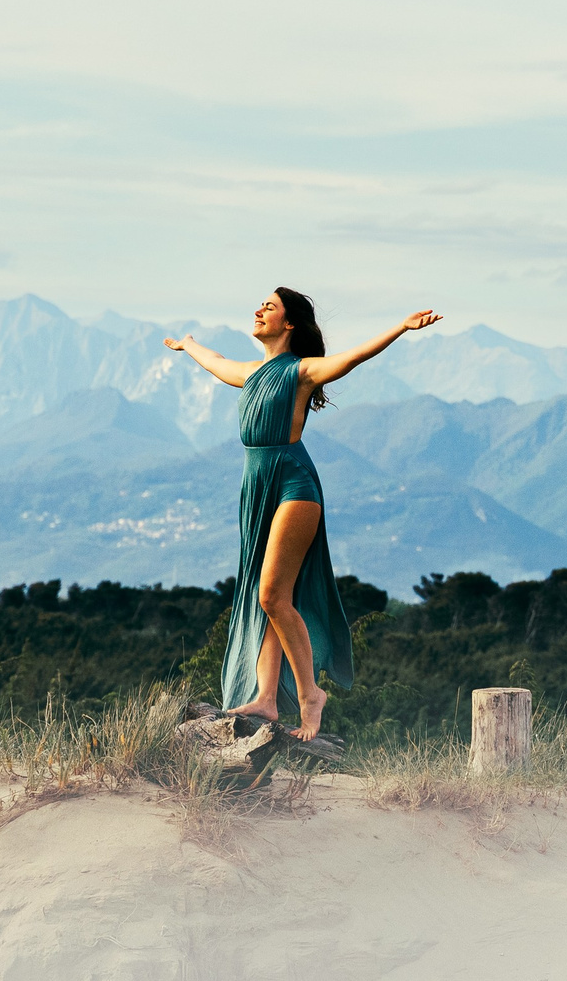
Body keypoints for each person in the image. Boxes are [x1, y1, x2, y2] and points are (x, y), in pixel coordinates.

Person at [164, 290, 438, 741]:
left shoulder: (302, 371)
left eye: (268, 307)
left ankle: (312, 695)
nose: (258, 310)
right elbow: (213, 361)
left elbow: (355, 356)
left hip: (293, 483)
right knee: (271, 594)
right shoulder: (252, 373)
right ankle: (268, 699)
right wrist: (187, 345)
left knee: (272, 594)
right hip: (257, 487)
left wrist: (401, 328)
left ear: (289, 323)